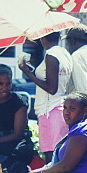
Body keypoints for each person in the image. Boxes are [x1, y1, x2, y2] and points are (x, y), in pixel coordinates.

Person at [20, 31, 72, 161]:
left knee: (51, 155)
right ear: (59, 38)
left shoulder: (51, 55)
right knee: (59, 153)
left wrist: (28, 73)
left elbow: (51, 88)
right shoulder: (64, 54)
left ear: (42, 38)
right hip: (59, 107)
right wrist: (30, 70)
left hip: (49, 110)